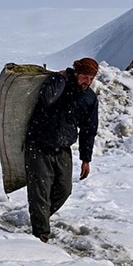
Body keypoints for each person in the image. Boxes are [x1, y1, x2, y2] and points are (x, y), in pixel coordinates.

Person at [24, 57, 99, 243]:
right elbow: (47, 99)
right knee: (40, 188)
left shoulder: (89, 98)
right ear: (76, 73)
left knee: (64, 189)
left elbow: (89, 129)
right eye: (84, 77)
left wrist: (86, 158)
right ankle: (40, 234)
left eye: (91, 78)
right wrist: (61, 79)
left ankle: (40, 217)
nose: (87, 82)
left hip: (63, 148)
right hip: (39, 143)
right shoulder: (57, 82)